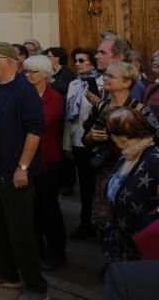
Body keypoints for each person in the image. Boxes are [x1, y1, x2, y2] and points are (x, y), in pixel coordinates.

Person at [0, 42, 49, 298]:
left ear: (7, 61)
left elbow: (35, 131)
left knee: (20, 230)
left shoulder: (24, 91)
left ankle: (36, 286)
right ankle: (7, 273)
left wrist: (23, 167)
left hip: (13, 172)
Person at [81, 62, 159, 232]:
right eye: (105, 75)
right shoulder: (100, 107)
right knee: (106, 226)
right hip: (104, 172)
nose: (105, 79)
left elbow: (156, 138)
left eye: (111, 76)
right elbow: (84, 139)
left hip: (132, 173)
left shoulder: (141, 111)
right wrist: (91, 136)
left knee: (129, 226)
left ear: (126, 82)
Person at [24, 55, 67, 271]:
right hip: (27, 158)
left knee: (49, 207)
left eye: (33, 72)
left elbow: (41, 122)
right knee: (32, 209)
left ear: (45, 75)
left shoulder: (54, 96)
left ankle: (56, 252)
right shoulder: (24, 94)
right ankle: (36, 250)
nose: (29, 76)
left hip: (48, 159)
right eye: (27, 72)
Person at [101, 107, 159, 265]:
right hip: (118, 242)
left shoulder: (155, 160)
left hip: (140, 250)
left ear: (123, 137)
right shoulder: (127, 155)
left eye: (111, 132)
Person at [63, 47, 104, 240]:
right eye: (76, 60)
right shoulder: (73, 85)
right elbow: (68, 117)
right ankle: (86, 223)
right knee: (85, 187)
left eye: (82, 60)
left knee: (99, 186)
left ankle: (102, 223)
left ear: (92, 63)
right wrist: (68, 144)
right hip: (78, 140)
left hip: (96, 142)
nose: (77, 64)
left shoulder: (102, 83)